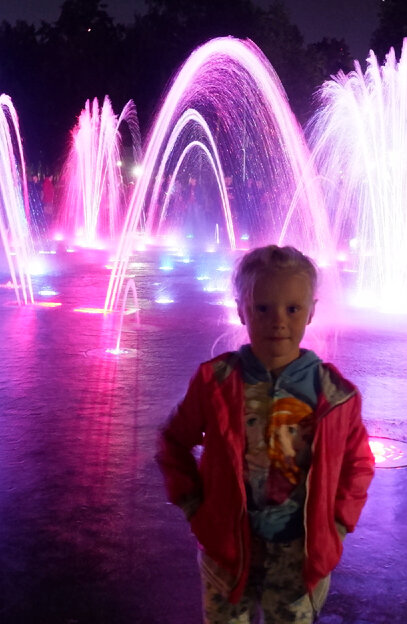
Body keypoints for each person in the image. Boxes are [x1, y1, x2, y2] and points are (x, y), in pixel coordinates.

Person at [157, 245, 375, 623]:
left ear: (311, 312)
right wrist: (195, 506)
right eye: (263, 308)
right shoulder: (216, 382)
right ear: (242, 310)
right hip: (227, 548)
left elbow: (359, 464)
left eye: (292, 308)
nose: (278, 321)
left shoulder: (336, 395)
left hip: (299, 555)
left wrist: (338, 524)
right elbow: (173, 441)